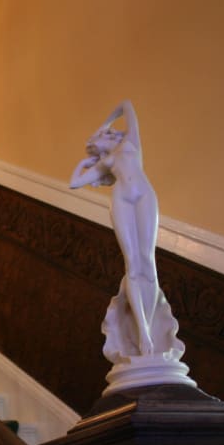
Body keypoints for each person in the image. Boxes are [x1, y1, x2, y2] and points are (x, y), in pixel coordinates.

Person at [70, 100, 159, 355]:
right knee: (132, 263)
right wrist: (83, 164)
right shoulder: (105, 163)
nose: (95, 144)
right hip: (121, 198)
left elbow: (127, 106)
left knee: (147, 260)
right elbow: (74, 183)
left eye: (96, 139)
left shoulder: (131, 141)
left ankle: (150, 327)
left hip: (143, 195)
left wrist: (105, 122)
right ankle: (143, 334)